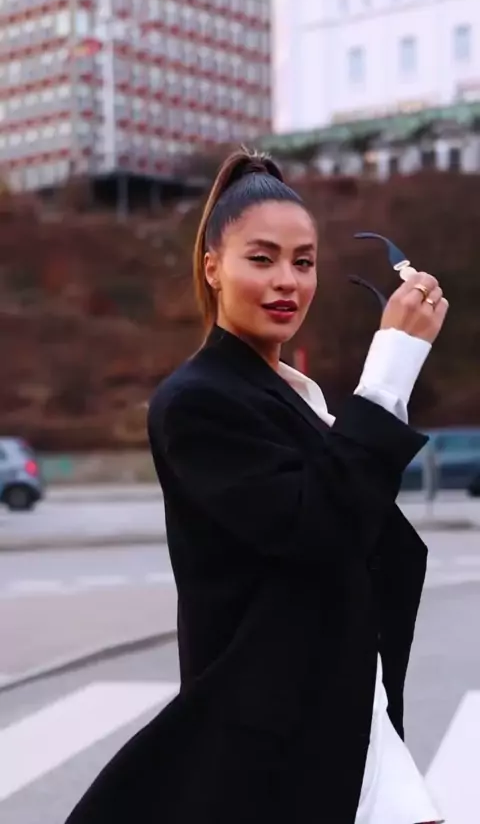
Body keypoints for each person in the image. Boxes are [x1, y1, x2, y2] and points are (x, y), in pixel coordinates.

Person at [65, 149, 448, 824]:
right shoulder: (195, 402)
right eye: (262, 259)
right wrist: (390, 370)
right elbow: (322, 527)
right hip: (274, 748)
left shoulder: (292, 396)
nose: (286, 282)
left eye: (303, 262)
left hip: (345, 716)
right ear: (213, 267)